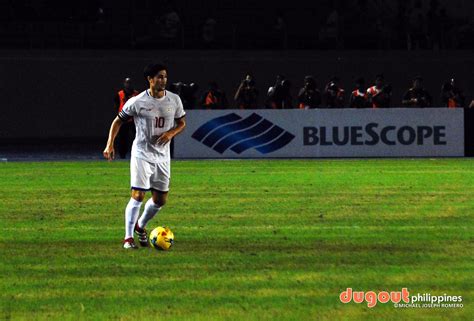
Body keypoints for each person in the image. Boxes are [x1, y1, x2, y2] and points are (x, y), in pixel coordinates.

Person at [103, 63, 186, 249]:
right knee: (138, 195)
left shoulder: (174, 100)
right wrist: (110, 144)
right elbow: (117, 122)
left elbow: (182, 123)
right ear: (150, 79)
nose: (163, 80)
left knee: (160, 200)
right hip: (142, 154)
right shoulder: (137, 101)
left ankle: (140, 226)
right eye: (159, 77)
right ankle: (128, 238)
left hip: (163, 157)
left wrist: (170, 133)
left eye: (165, 76)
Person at [114, 78, 139, 159]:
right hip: (123, 120)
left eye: (130, 83)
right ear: (124, 84)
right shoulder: (119, 94)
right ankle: (122, 155)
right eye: (126, 83)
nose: (128, 85)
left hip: (133, 120)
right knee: (122, 138)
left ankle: (137, 153)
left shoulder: (136, 94)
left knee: (137, 136)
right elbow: (117, 105)